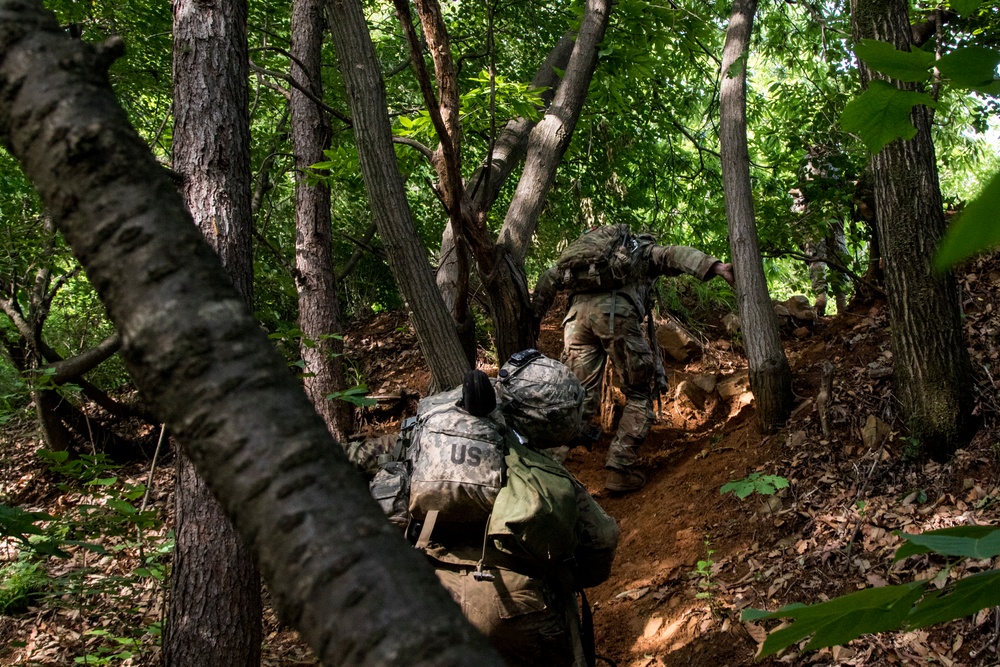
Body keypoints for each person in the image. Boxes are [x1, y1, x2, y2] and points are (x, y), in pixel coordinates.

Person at [356, 358, 619, 667]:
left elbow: (363, 458)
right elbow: (601, 541)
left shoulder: (433, 439)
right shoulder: (543, 472)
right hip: (514, 613)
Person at [531, 225, 734, 494]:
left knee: (576, 395)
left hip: (575, 320)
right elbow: (674, 255)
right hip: (615, 315)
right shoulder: (641, 250)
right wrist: (716, 267)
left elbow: (548, 277)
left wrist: (534, 317)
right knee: (640, 391)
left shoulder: (586, 260)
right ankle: (620, 468)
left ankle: (548, 467)